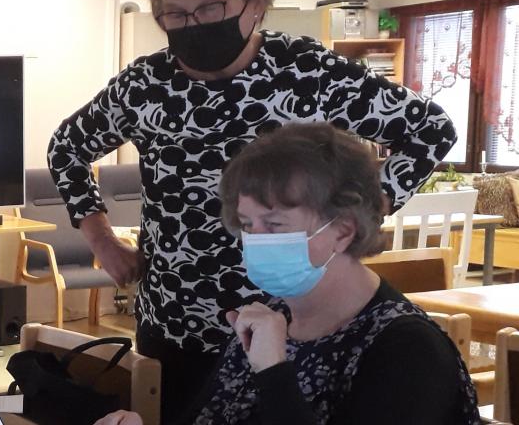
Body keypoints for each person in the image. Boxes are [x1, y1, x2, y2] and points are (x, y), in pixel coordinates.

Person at [48, 0, 456, 418]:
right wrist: (103, 242)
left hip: (295, 330)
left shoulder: (306, 72)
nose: (193, 26)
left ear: (255, 2)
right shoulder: (144, 85)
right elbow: (67, 147)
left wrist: (358, 215)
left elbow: (430, 129)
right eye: (174, 14)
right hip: (175, 324)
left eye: (210, 8)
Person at [95, 123, 479, 424]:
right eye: (248, 224)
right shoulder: (271, 316)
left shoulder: (408, 351)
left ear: (343, 230)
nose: (255, 241)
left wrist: (273, 371)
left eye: (275, 225)